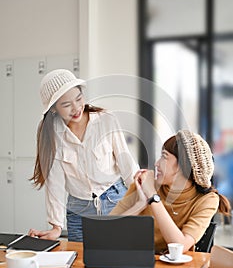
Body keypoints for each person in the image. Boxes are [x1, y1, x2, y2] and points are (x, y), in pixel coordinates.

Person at [29, 69, 139, 241]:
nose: (76, 108)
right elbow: (55, 182)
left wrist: (142, 198)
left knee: (118, 262)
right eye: (66, 105)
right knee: (80, 264)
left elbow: (127, 164)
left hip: (116, 201)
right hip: (78, 209)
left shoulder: (105, 120)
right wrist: (56, 226)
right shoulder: (53, 133)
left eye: (79, 98)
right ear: (54, 109)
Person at [110, 130, 231, 254]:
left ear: (183, 165)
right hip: (133, 261)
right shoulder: (146, 184)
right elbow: (107, 232)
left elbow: (180, 246)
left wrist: (153, 196)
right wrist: (140, 204)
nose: (156, 163)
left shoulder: (207, 200)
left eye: (164, 156)